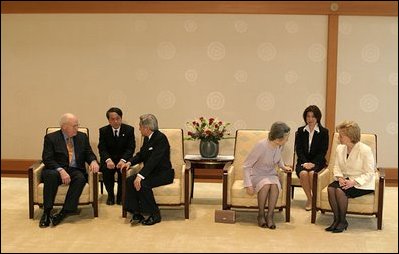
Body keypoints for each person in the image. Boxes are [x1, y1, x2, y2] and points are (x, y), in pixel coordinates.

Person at [40, 113, 99, 228]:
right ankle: (46, 212)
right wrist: (61, 170)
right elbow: (47, 159)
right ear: (64, 127)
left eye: (77, 125)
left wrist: (93, 161)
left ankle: (64, 212)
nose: (77, 128)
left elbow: (89, 153)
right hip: (56, 169)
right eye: (74, 126)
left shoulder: (82, 137)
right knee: (50, 175)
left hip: (74, 169)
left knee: (81, 178)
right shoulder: (51, 138)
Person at [121, 114, 174, 226]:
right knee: (130, 180)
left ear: (147, 128)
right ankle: (136, 212)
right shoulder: (147, 138)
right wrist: (129, 162)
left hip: (163, 174)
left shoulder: (160, 139)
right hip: (151, 172)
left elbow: (153, 161)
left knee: (143, 184)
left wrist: (140, 176)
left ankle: (155, 214)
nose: (139, 128)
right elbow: (141, 155)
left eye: (140, 126)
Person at [326, 120, 375, 233]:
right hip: (345, 179)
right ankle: (336, 220)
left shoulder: (365, 150)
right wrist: (340, 178)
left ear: (350, 136)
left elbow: (369, 173)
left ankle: (342, 221)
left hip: (361, 183)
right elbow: (337, 167)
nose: (339, 138)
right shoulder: (340, 148)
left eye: (341, 135)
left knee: (339, 191)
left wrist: (353, 182)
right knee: (331, 188)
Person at [243, 121, 292, 229]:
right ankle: (261, 215)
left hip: (271, 173)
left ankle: (270, 216)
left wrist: (283, 167)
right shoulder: (261, 146)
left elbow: (278, 159)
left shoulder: (280, 146)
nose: (287, 140)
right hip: (256, 174)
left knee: (274, 185)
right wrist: (248, 185)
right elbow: (246, 165)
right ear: (278, 138)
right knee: (265, 185)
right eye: (286, 137)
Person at [98, 107, 135, 205]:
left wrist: (123, 160)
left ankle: (120, 196)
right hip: (109, 159)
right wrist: (108, 160)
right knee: (106, 171)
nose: (115, 121)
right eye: (112, 119)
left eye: (117, 118)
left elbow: (130, 148)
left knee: (122, 171)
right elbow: (102, 148)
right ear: (108, 120)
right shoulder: (103, 131)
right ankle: (110, 195)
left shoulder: (129, 130)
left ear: (121, 118)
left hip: (123, 159)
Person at [295, 105, 329, 210]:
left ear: (318, 118)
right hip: (302, 161)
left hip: (318, 162)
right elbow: (299, 149)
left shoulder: (324, 132)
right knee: (304, 173)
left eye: (313, 117)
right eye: (308, 116)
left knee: (312, 174)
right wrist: (305, 163)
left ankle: (316, 199)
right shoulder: (301, 131)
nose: (310, 119)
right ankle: (310, 200)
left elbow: (323, 151)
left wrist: (313, 163)